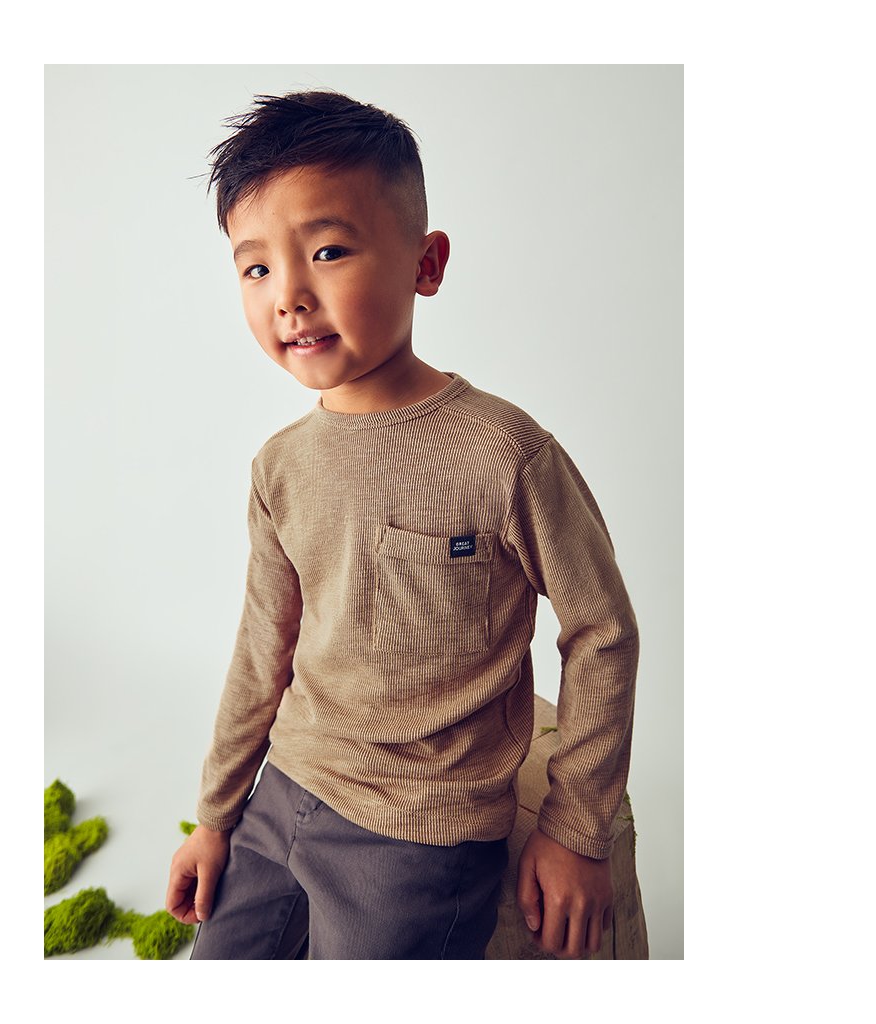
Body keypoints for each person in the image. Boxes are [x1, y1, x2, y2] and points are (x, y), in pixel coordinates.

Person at [165, 90, 639, 960]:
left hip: (420, 835)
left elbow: (603, 629)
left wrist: (578, 827)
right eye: (256, 268)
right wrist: (215, 818)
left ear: (426, 262)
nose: (289, 296)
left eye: (327, 251)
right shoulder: (279, 466)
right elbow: (262, 651)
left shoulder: (505, 453)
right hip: (285, 791)